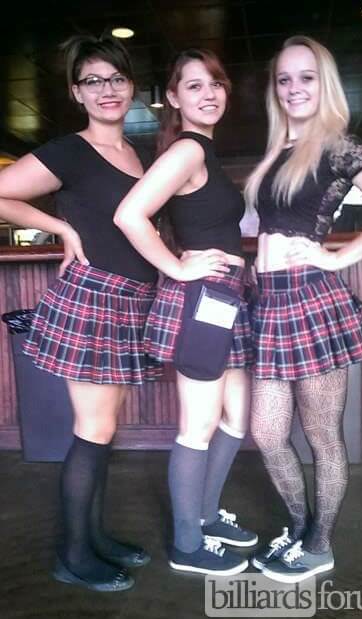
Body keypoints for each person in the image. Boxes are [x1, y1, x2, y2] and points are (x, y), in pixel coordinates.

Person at [0, 34, 164, 592]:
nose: (106, 89)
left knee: (103, 430)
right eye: (93, 80)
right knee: (93, 430)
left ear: (132, 86)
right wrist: (61, 228)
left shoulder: (138, 153)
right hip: (93, 298)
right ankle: (72, 556)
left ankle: (93, 537)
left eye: (116, 78)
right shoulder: (69, 151)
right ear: (76, 92)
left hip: (133, 301)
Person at [244, 35, 362, 583]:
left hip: (312, 301)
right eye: (284, 79)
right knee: (268, 433)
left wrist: (337, 257)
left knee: (322, 436)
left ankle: (319, 546)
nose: (294, 88)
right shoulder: (278, 150)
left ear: (325, 83)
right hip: (270, 305)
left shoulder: (338, 145)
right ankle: (300, 530)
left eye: (306, 77)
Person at [114, 48, 257, 575]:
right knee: (198, 425)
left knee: (236, 419)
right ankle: (186, 544)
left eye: (215, 83)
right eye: (194, 86)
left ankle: (205, 516)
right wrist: (176, 266)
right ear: (173, 98)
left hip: (226, 300)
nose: (209, 94)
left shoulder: (204, 152)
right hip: (202, 303)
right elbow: (130, 214)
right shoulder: (188, 150)